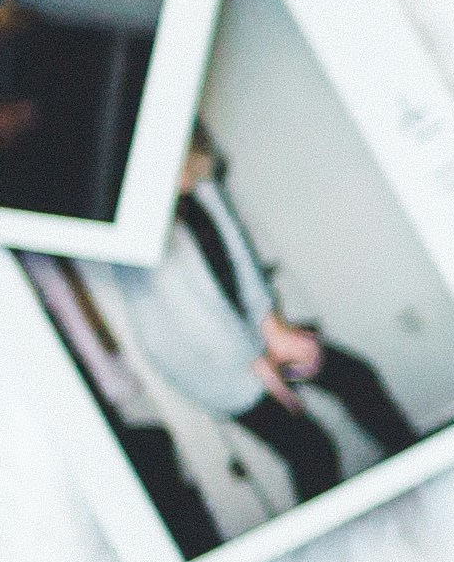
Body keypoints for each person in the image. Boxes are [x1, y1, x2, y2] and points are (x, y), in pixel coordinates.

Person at [114, 131, 417, 507]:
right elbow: (179, 330)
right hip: (212, 371)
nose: (190, 175)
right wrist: (253, 365)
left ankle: (422, 467)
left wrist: (271, 323)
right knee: (312, 451)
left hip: (253, 340)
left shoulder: (201, 189)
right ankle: (319, 544)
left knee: (353, 376)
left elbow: (241, 265)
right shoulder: (139, 242)